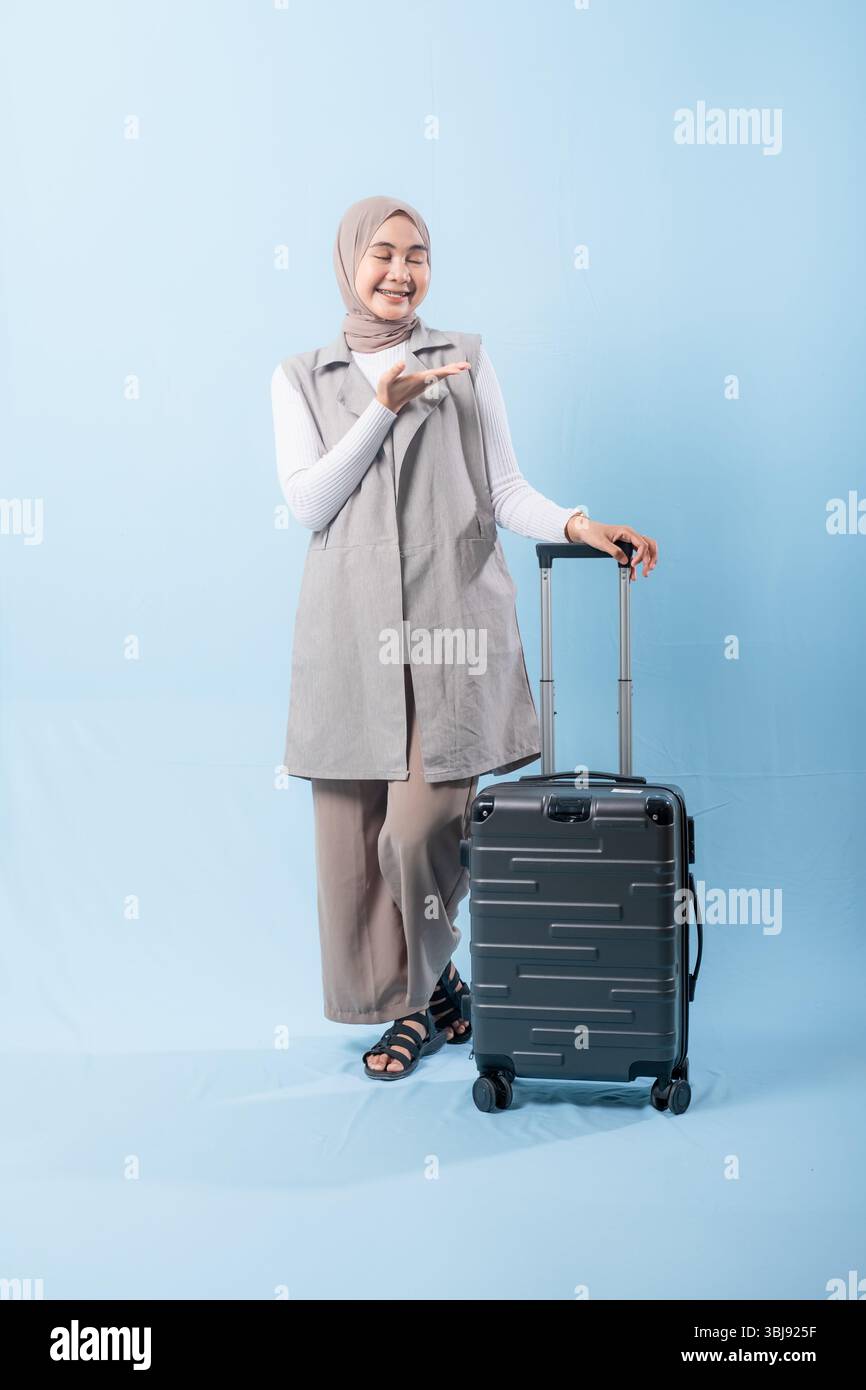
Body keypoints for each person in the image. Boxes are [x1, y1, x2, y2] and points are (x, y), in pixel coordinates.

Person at [271, 195, 657, 1080]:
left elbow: (505, 489)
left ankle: (413, 1007)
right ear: (347, 262)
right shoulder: (301, 376)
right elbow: (308, 504)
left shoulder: (466, 360)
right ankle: (439, 997)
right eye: (381, 255)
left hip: (451, 633)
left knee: (417, 832)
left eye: (418, 255)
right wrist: (379, 408)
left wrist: (582, 524)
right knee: (353, 848)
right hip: (348, 640)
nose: (400, 273)